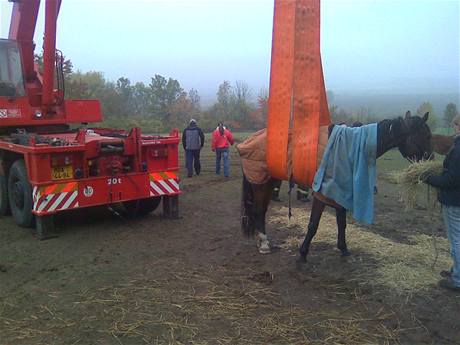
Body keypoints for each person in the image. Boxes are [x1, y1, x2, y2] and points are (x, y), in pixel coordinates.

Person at [425, 115, 460, 292]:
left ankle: (458, 279)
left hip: (455, 202)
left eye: (456, 124)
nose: (454, 128)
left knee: (456, 239)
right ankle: (456, 270)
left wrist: (429, 178)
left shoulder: (458, 150)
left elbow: (452, 180)